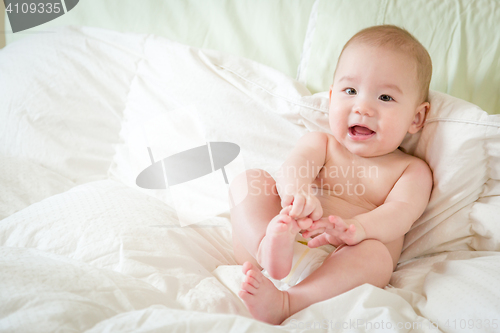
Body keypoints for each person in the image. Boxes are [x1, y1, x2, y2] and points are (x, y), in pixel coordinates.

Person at [228, 24, 433, 325]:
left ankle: (288, 302)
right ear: (332, 96)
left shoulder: (411, 170)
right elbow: (293, 169)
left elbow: (401, 214)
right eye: (350, 91)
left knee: (377, 257)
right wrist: (298, 194)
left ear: (416, 117)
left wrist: (357, 228)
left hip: (339, 266)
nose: (362, 107)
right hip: (282, 239)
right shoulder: (322, 143)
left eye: (385, 98)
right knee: (248, 181)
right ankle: (264, 247)